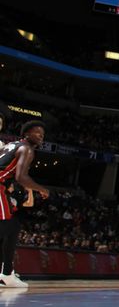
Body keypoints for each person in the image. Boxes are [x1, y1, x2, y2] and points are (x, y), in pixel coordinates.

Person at [0, 120, 50, 287]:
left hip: (3, 186)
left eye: (43, 134)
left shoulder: (11, 145)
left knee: (12, 226)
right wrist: (42, 189)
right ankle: (6, 272)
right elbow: (21, 177)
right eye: (37, 133)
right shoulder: (26, 149)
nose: (41, 137)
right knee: (6, 227)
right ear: (27, 134)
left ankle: (7, 273)